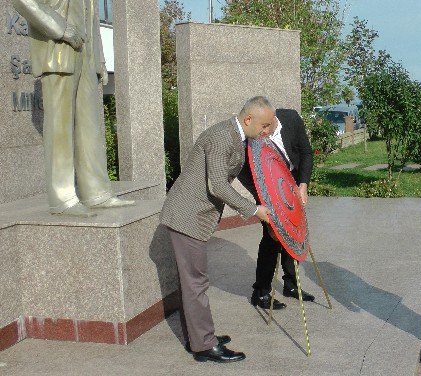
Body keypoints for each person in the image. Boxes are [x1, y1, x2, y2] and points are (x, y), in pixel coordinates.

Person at [160, 96, 274, 363]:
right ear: (248, 119)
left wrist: (265, 198)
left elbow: (242, 176)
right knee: (195, 283)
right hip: (187, 217)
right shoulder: (223, 137)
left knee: (192, 282)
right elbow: (218, 187)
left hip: (192, 216)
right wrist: (254, 210)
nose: (267, 131)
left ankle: (199, 337)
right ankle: (204, 346)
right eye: (265, 125)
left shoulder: (237, 136)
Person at [11, 0, 134, 217]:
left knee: (90, 127)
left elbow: (92, 17)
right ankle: (63, 198)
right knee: (60, 128)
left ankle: (96, 193)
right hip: (57, 49)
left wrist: (101, 60)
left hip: (86, 54)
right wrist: (60, 28)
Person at [238, 108, 315, 310]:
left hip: (292, 184)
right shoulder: (251, 133)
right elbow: (243, 171)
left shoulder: (291, 119)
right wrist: (262, 197)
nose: (261, 133)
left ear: (272, 120)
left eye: (265, 127)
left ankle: (291, 284)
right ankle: (261, 291)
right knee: (272, 237)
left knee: (294, 230)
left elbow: (306, 152)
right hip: (266, 187)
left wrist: (303, 184)